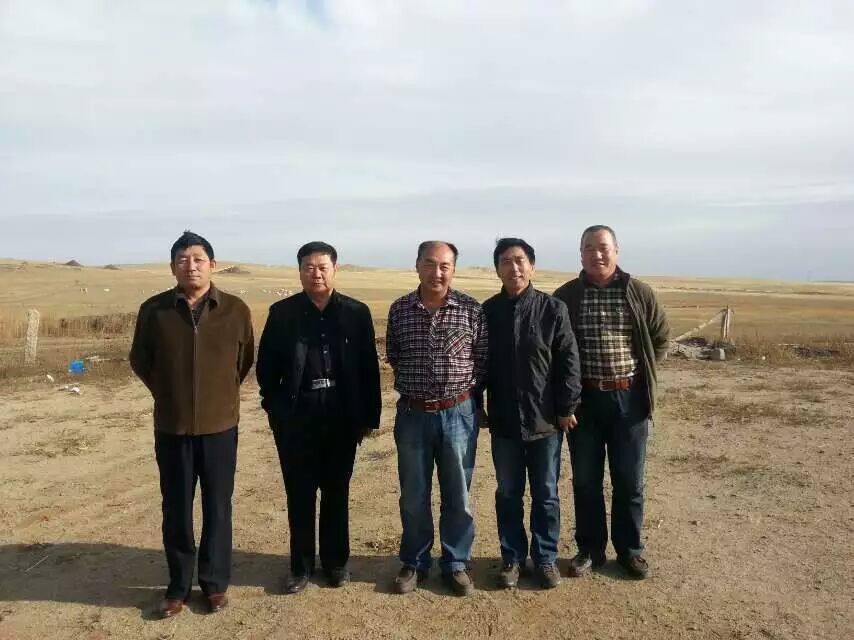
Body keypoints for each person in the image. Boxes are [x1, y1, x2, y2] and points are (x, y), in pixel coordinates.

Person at [130, 230, 254, 617]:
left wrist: (218, 397)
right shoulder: (155, 311)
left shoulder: (235, 310)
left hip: (220, 427)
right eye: (182, 260)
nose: (191, 266)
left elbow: (244, 361)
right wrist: (170, 394)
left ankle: (214, 584)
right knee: (176, 508)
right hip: (173, 428)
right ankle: (178, 586)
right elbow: (141, 360)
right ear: (172, 267)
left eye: (198, 259)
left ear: (213, 265)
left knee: (218, 506)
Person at [256, 241, 381, 594]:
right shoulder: (282, 313)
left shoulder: (356, 313)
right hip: (297, 417)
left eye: (323, 267)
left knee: (337, 491)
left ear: (335, 269)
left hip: (341, 416)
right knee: (299, 493)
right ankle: (300, 566)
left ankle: (336, 563)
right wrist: (277, 411)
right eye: (309, 267)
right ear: (299, 271)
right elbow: (266, 369)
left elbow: (368, 368)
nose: (316, 274)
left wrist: (368, 417)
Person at [553, 225, 670, 579]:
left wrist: (642, 376)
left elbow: (660, 338)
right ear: (581, 254)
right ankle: (590, 550)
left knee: (629, 481)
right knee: (586, 482)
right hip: (584, 401)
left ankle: (630, 550)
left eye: (603, 247)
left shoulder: (639, 292)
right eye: (589, 248)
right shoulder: (566, 296)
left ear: (616, 250)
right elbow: (556, 350)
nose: (596, 254)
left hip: (629, 400)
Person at [386, 241, 488, 596]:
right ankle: (415, 562)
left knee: (458, 493)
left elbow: (481, 360)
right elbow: (395, 354)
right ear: (417, 266)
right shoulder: (400, 309)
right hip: (413, 414)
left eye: (445, 265)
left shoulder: (471, 309)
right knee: (414, 494)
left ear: (453, 269)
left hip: (458, 414)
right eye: (429, 264)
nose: (437, 272)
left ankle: (456, 562)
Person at [482, 238, 581, 589]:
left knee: (546, 494)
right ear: (498, 269)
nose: (514, 268)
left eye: (520, 260)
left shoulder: (553, 309)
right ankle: (512, 558)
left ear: (532, 266)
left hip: (546, 422)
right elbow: (478, 365)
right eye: (506, 261)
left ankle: (545, 558)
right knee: (508, 493)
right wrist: (477, 406)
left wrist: (567, 407)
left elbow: (569, 362)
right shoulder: (488, 312)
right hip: (505, 422)